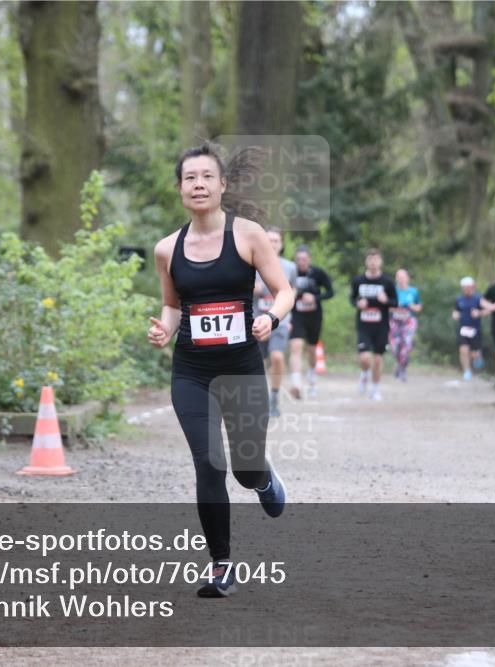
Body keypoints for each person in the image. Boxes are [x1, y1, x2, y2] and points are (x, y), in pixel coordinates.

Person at [148, 142, 294, 598]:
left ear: (222, 185)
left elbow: (284, 290)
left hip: (242, 368)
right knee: (208, 464)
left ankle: (263, 478)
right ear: (180, 189)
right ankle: (221, 565)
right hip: (191, 372)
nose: (198, 184)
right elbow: (173, 306)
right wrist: (163, 329)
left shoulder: (248, 235)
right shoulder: (167, 248)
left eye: (206, 176)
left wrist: (271, 317)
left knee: (244, 469)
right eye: (189, 178)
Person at [253, 227, 297, 417]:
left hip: (279, 321)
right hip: (256, 320)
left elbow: (291, 292)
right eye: (268, 240)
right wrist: (255, 289)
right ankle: (260, 398)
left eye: (276, 241)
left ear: (281, 244)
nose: (272, 244)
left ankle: (275, 397)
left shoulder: (289, 267)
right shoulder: (251, 263)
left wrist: (288, 316)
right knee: (258, 362)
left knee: (277, 357)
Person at [350, 248, 397, 401]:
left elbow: (395, 302)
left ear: (381, 262)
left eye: (376, 259)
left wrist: (386, 301)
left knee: (377, 359)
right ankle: (364, 374)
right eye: (370, 259)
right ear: (366, 262)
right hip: (364, 325)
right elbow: (352, 299)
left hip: (381, 326)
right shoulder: (358, 280)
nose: (373, 262)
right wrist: (358, 303)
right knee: (364, 358)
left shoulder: (387, 281)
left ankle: (376, 389)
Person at [287, 245, 334, 399]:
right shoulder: (290, 273)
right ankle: (296, 385)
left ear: (309, 259)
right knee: (296, 346)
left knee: (312, 349)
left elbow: (330, 292)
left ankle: (312, 379)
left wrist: (315, 298)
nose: (301, 262)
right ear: (295, 260)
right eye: (299, 259)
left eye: (304, 259)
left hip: (314, 316)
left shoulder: (318, 273)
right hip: (296, 316)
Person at [388, 268, 422, 381]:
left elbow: (419, 307)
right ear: (396, 279)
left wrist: (411, 306)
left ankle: (402, 370)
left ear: (407, 278)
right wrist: (395, 307)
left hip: (408, 320)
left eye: (403, 277)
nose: (401, 279)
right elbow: (387, 306)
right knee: (395, 346)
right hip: (394, 320)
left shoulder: (413, 291)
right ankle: (400, 364)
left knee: (406, 345)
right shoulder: (392, 291)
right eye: (399, 277)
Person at [452, 276, 484, 381]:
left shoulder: (479, 298)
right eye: (465, 287)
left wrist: (479, 313)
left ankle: (477, 358)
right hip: (463, 328)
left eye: (469, 287)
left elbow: (487, 310)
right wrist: (455, 315)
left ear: (473, 287)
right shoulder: (459, 299)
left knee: (474, 354)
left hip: (475, 329)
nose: (467, 289)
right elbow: (456, 310)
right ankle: (467, 371)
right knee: (463, 350)